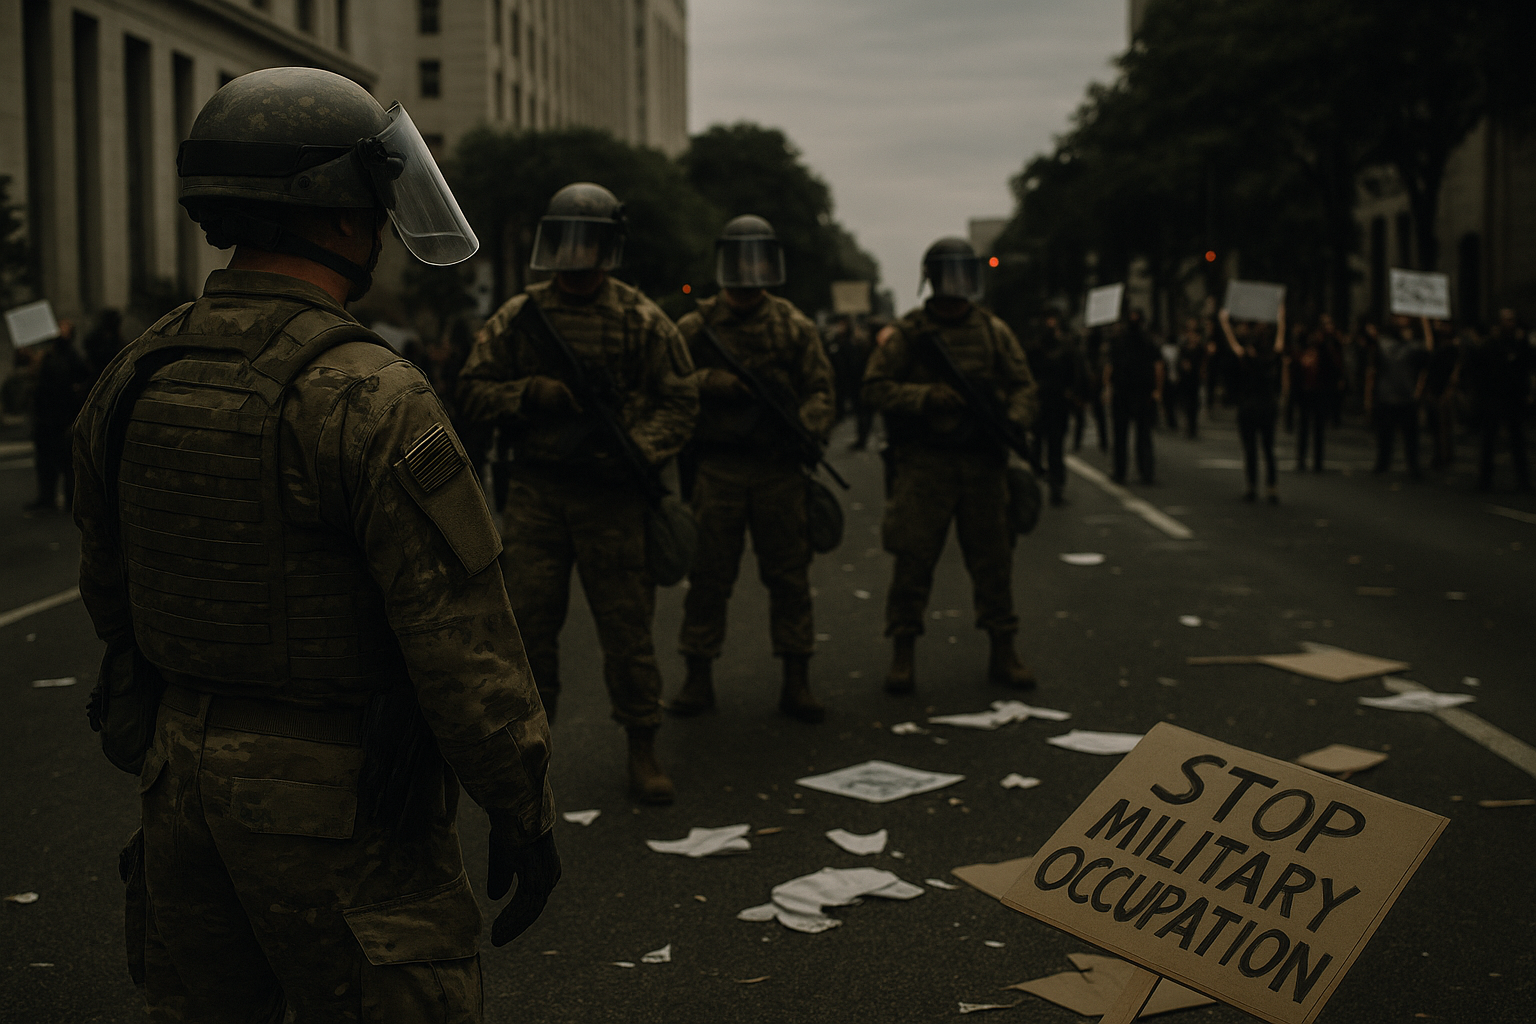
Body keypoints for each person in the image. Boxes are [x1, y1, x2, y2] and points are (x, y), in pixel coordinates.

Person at [72, 68, 557, 1021]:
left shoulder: (138, 367)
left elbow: (107, 582)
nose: (379, 225)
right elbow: (462, 643)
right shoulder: (372, 391)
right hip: (340, 805)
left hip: (179, 786)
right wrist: (520, 800)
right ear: (339, 213)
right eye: (374, 201)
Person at [458, 181, 698, 804]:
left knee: (628, 632)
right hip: (538, 495)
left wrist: (637, 448)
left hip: (612, 499)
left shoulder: (641, 319)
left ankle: (642, 745)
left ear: (608, 246)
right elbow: (472, 390)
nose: (575, 254)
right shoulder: (520, 316)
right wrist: (527, 394)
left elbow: (680, 400)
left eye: (587, 241)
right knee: (528, 633)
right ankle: (529, 759)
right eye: (564, 239)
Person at [668, 215, 835, 723]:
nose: (747, 272)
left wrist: (802, 426)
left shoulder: (793, 326)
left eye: (757, 260)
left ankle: (797, 677)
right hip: (718, 469)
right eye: (739, 261)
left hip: (778, 469)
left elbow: (821, 391)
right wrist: (708, 382)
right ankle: (698, 674)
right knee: (708, 575)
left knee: (789, 576)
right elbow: (665, 385)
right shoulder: (695, 328)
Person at [862, 237, 1038, 695]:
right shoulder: (910, 334)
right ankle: (903, 650)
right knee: (913, 560)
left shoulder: (992, 331)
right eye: (949, 275)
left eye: (965, 274)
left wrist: (1011, 421)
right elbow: (874, 386)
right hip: (926, 464)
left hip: (982, 463)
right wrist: (924, 397)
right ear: (933, 280)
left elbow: (1023, 385)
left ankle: (1004, 648)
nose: (957, 286)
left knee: (993, 561)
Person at [1218, 304, 1286, 502]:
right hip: (1268, 406)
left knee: (1250, 449)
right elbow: (1280, 341)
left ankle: (1251, 486)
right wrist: (1281, 319)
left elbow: (1233, 344)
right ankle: (1272, 487)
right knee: (1268, 448)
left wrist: (1225, 323)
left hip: (1248, 406)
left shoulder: (1247, 358)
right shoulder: (1271, 358)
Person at [1026, 312, 1090, 505]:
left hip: (1052, 404)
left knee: (1049, 449)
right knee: (1047, 449)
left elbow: (1075, 375)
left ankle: (1051, 488)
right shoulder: (1038, 350)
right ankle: (1048, 488)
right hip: (1047, 404)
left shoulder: (1057, 350)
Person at [27, 319, 87, 512]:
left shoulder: (69, 356)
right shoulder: (47, 354)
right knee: (46, 460)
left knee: (65, 459)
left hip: (61, 415)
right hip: (47, 415)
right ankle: (48, 497)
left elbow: (76, 379)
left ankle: (70, 499)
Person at [1467, 309, 1531, 491]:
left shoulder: (1518, 344)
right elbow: (1479, 370)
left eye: (1512, 320)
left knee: (1517, 440)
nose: (1510, 323)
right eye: (1507, 320)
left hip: (1513, 399)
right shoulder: (1491, 345)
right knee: (1489, 439)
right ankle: (1485, 479)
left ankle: (1523, 480)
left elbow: (1524, 369)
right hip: (1494, 399)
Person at [1365, 315, 1431, 479]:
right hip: (1388, 396)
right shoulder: (1383, 343)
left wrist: (1425, 324)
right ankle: (1383, 464)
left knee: (1410, 437)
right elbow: (1373, 368)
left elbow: (1428, 354)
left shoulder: (1413, 346)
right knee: (1386, 436)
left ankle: (1412, 466)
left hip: (1405, 397)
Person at [1104, 308, 1162, 484]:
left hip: (1127, 392)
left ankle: (1122, 472)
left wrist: (1107, 388)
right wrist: (1157, 390)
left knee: (1123, 435)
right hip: (1140, 392)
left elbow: (1109, 366)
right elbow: (1158, 366)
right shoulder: (1148, 340)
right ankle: (1145, 472)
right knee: (1142, 435)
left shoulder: (1119, 340)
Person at [1291, 324, 1339, 472]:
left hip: (1319, 394)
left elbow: (1331, 372)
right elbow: (1296, 374)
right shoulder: (1302, 352)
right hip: (1306, 394)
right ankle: (1301, 460)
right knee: (1304, 429)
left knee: (1318, 429)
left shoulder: (1325, 352)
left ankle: (1318, 462)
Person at [1422, 319, 1461, 470]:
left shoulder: (1453, 348)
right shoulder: (1439, 346)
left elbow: (1455, 371)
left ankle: (1444, 456)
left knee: (1444, 426)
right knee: (1436, 427)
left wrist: (1448, 391)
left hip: (1445, 391)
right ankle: (1440, 455)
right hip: (1434, 390)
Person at [1176, 318, 1206, 439]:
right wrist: (1182, 366)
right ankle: (1188, 425)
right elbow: (1179, 361)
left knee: (1194, 404)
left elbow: (1203, 362)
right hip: (1185, 379)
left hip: (1195, 379)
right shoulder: (1184, 347)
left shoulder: (1200, 348)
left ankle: (1193, 427)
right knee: (1186, 404)